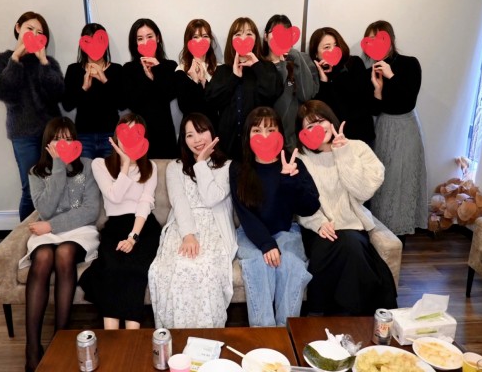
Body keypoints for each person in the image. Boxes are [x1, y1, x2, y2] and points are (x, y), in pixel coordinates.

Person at [295, 100, 397, 316]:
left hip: (352, 226)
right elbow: (300, 201)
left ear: (331, 120)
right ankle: (322, 313)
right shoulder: (301, 158)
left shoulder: (357, 148)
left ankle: (346, 316)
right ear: (302, 134)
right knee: (332, 247)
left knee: (351, 245)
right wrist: (318, 223)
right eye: (309, 126)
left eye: (320, 121)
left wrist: (343, 154)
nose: (317, 128)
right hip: (319, 229)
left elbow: (363, 192)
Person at [20, 117, 100, 372]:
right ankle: (32, 348)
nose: (63, 143)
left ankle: (60, 338)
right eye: (57, 139)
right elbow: (45, 210)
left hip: (80, 230)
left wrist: (52, 225)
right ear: (48, 143)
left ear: (75, 141)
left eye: (68, 138)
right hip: (46, 232)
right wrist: (57, 167)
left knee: (64, 253)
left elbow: (90, 210)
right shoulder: (36, 172)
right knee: (43, 257)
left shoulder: (87, 166)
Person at [229, 107, 320, 326]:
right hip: (251, 234)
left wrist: (291, 181)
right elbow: (245, 214)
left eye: (271, 130)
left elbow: (310, 207)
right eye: (257, 130)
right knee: (258, 265)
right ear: (247, 135)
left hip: (286, 231)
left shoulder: (294, 163)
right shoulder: (239, 168)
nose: (264, 136)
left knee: (292, 265)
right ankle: (264, 334)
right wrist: (266, 244)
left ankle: (285, 332)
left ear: (280, 133)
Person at [148, 113, 237, 328]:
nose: (197, 139)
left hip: (215, 227)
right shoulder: (174, 167)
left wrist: (201, 164)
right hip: (182, 226)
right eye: (190, 135)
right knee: (171, 268)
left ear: (212, 133)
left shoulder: (227, 166)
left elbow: (212, 198)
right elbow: (179, 202)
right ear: (183, 140)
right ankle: (177, 335)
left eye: (201, 131)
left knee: (205, 268)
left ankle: (208, 336)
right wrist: (188, 235)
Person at [78, 113, 161, 330]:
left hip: (143, 227)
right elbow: (114, 196)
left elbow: (145, 203)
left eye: (136, 134)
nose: (130, 139)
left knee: (135, 271)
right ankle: (111, 338)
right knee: (112, 270)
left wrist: (133, 237)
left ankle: (131, 339)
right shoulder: (100, 164)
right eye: (126, 132)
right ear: (116, 136)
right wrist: (125, 165)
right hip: (115, 227)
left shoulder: (150, 167)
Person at [0, 11, 64, 221]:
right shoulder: (2, 60)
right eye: (30, 29)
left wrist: (43, 62)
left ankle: (55, 228)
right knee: (30, 189)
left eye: (40, 32)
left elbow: (59, 93)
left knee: (56, 182)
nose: (34, 34)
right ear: (18, 28)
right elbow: (1, 91)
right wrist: (15, 59)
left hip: (51, 133)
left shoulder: (48, 61)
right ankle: (25, 236)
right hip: (23, 134)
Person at [364, 20, 428, 237]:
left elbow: (409, 100)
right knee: (383, 179)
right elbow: (374, 109)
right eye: (370, 40)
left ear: (390, 39)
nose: (374, 44)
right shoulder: (371, 71)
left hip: (405, 128)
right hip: (383, 127)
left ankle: (400, 236)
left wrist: (392, 76)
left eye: (379, 38)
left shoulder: (410, 64)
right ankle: (380, 236)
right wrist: (378, 90)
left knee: (402, 179)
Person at [206, 17, 283, 160]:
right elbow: (212, 101)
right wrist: (234, 77)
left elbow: (271, 94)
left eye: (249, 34)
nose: (243, 38)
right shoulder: (222, 70)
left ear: (256, 39)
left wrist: (257, 66)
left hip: (259, 144)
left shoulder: (267, 68)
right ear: (231, 40)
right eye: (238, 34)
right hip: (227, 145)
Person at [62, 23, 124, 159]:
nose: (94, 47)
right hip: (84, 136)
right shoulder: (74, 70)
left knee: (111, 172)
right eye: (89, 42)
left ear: (105, 43)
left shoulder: (117, 70)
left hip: (110, 135)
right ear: (82, 44)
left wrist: (105, 80)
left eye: (99, 41)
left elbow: (122, 104)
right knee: (86, 172)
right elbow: (67, 105)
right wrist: (84, 88)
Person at [308, 27, 375, 146]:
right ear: (316, 54)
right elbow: (321, 111)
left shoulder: (354, 63)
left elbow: (359, 97)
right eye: (326, 47)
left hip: (360, 135)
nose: (332, 50)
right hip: (334, 138)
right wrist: (324, 81)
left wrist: (337, 70)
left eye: (335, 45)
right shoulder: (314, 75)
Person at [122, 19, 179, 159]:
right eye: (140, 39)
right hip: (138, 134)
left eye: (149, 36)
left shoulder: (170, 66)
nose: (145, 42)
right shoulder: (129, 69)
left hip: (165, 132)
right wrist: (147, 77)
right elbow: (132, 103)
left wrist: (156, 73)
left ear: (157, 38)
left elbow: (169, 94)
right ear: (135, 43)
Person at [262, 15, 319, 152]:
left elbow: (306, 94)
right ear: (265, 36)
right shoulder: (260, 65)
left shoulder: (301, 59)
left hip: (298, 141)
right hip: (268, 138)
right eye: (275, 32)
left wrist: (294, 56)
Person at [175, 19, 220, 127]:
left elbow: (217, 104)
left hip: (214, 129)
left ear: (210, 40)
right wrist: (195, 81)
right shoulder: (180, 70)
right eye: (195, 37)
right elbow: (186, 107)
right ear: (188, 41)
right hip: (190, 130)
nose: (200, 40)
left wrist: (204, 82)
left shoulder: (220, 69)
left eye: (205, 36)